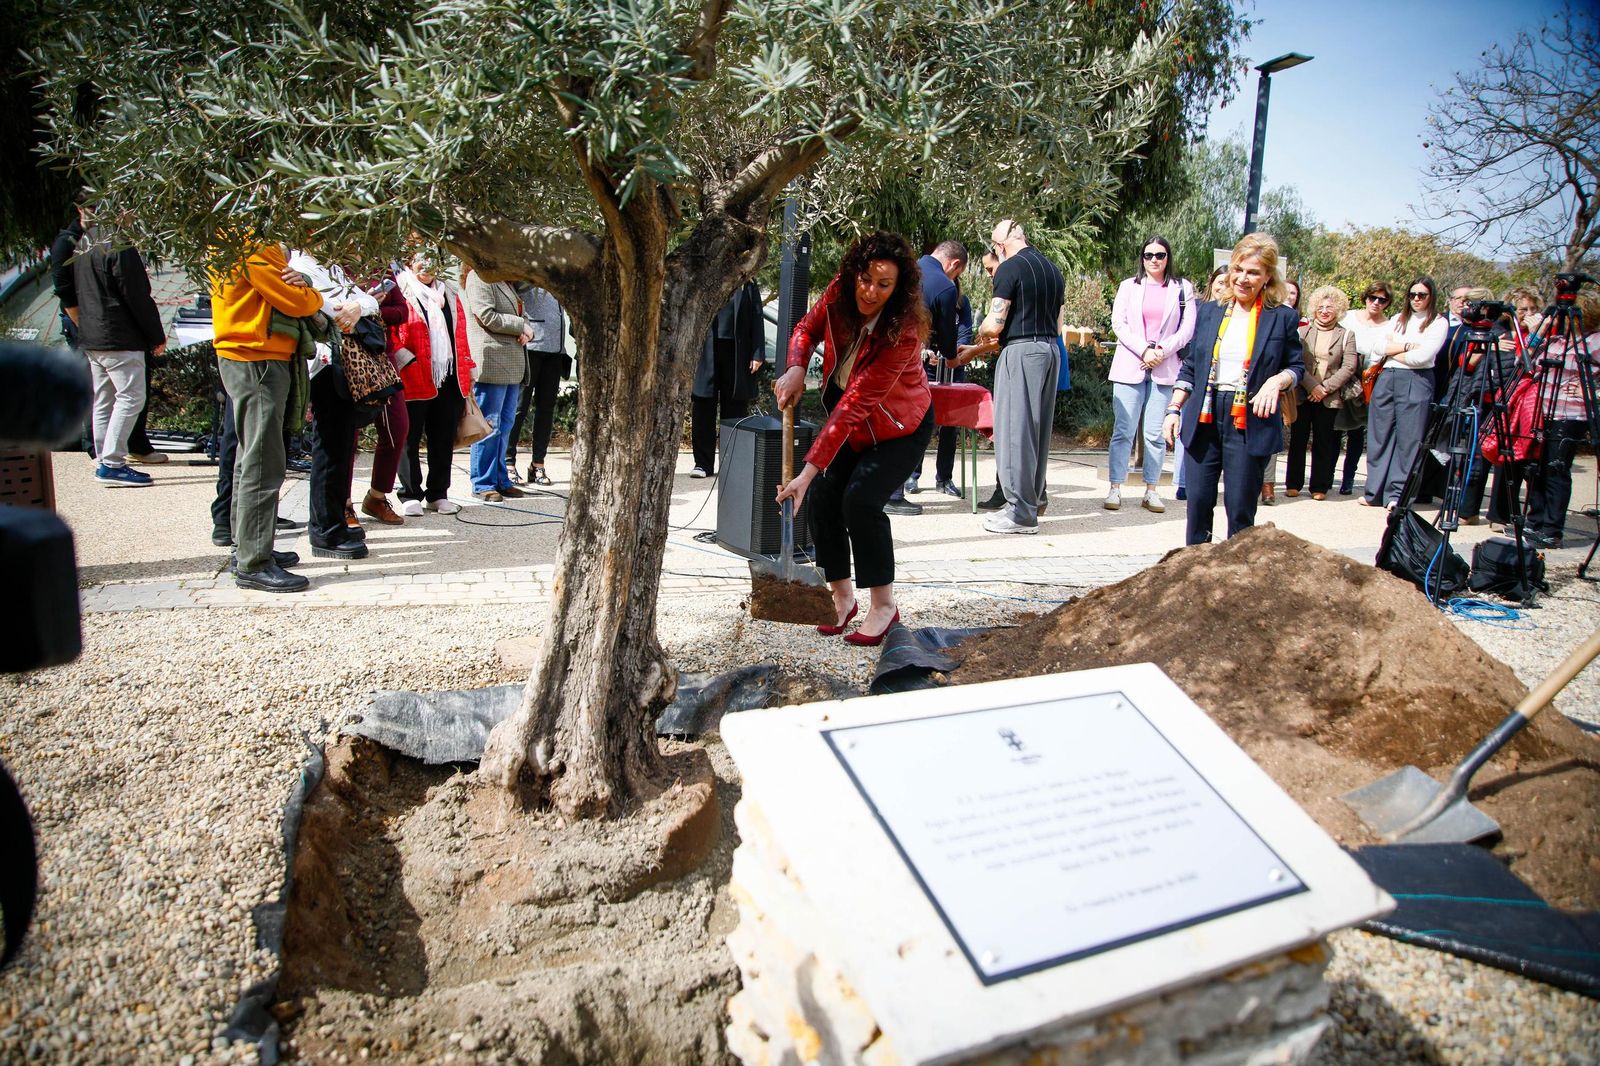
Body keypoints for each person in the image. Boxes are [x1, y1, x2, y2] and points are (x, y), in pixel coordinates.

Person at [772, 232, 934, 647]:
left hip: (900, 428)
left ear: (898, 290)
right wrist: (795, 366)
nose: (870, 291)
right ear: (854, 273)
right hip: (855, 424)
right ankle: (843, 599)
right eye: (866, 279)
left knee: (859, 502)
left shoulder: (905, 332)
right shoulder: (839, 292)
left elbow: (855, 403)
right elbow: (805, 330)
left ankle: (884, 604)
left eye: (884, 285)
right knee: (826, 499)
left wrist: (806, 472)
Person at [1161, 233, 1304, 545]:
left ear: (1268, 277)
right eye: (1238, 269)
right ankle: (1195, 574)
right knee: (1198, 503)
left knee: (1240, 509)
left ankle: (1236, 580)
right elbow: (1192, 366)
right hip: (1205, 414)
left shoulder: (1282, 317)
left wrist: (1275, 382)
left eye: (1253, 272)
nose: (1242, 278)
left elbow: (1296, 367)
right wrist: (1173, 408)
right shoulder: (1209, 311)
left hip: (1248, 419)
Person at [210, 242, 324, 592]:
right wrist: (313, 294)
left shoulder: (237, 238)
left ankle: (248, 545)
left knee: (250, 455)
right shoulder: (254, 243)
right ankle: (253, 562)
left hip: (250, 353)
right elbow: (295, 300)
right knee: (262, 458)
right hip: (257, 356)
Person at [62, 205, 169, 488]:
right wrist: (156, 334)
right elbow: (136, 294)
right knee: (131, 397)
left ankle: (103, 457)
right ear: (120, 210)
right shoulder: (119, 243)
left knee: (105, 397)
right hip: (118, 335)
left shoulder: (86, 241)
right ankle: (112, 462)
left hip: (92, 334)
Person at [287, 251, 378, 559]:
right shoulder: (298, 266)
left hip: (343, 363)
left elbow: (369, 301)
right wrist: (349, 309)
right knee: (328, 451)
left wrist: (356, 306)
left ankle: (334, 523)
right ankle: (325, 531)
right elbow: (322, 307)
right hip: (323, 366)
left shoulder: (331, 267)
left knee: (340, 450)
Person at [976, 219, 1065, 534]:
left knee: (1014, 431)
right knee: (1038, 434)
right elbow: (1058, 323)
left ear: (999, 246)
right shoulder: (1053, 270)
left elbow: (994, 323)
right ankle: (1034, 500)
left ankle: (1019, 513)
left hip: (1022, 350)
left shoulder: (1009, 268)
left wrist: (981, 332)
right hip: (1051, 350)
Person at [1106, 235, 1195, 513]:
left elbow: (1187, 329)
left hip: (1164, 368)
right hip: (1131, 364)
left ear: (1168, 257)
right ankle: (1115, 487)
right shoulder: (1128, 286)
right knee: (1123, 431)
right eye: (1148, 255)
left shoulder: (1183, 288)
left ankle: (1152, 489)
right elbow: (1118, 324)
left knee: (1155, 434)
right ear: (1141, 258)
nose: (1154, 260)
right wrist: (1145, 350)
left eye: (1159, 255)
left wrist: (1161, 351)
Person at [385, 253, 473, 516]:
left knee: (443, 435)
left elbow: (460, 331)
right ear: (409, 261)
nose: (426, 265)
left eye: (431, 258)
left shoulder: (450, 293)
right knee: (409, 436)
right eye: (420, 259)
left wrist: (468, 367)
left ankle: (438, 493)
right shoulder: (401, 289)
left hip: (447, 374)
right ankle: (410, 493)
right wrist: (402, 357)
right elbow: (389, 328)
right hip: (413, 372)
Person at [1520, 288, 1599, 547]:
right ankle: (1534, 522)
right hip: (1542, 411)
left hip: (1572, 415)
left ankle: (1552, 530)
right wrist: (1537, 333)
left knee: (1556, 469)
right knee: (1535, 469)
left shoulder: (1596, 341)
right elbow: (1524, 361)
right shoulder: (1555, 340)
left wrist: (1594, 390)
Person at [1362, 276, 1448, 509]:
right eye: (1412, 295)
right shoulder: (1397, 319)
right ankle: (1375, 492)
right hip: (1387, 377)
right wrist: (1408, 346)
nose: (1416, 299)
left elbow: (1422, 358)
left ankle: (1397, 495)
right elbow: (1377, 348)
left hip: (1417, 380)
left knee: (1409, 440)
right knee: (1379, 436)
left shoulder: (1438, 322)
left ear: (1431, 297)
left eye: (1421, 295)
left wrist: (1392, 350)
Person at [899, 239, 970, 505]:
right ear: (953, 264)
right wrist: (951, 355)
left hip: (893, 361)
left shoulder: (908, 270)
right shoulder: (944, 286)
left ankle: (904, 485)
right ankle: (901, 486)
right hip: (915, 364)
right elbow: (948, 336)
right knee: (918, 423)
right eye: (957, 273)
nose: (954, 278)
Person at [462, 269, 531, 502]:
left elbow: (519, 312)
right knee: (489, 425)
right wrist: (520, 325)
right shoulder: (478, 277)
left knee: (506, 424)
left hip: (511, 362)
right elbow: (486, 315)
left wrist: (525, 329)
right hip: (492, 361)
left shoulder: (505, 280)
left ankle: (501, 479)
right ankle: (483, 482)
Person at [1285, 287, 1358, 500]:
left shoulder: (1346, 335)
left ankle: (1319, 485)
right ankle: (1293, 483)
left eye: (1330, 307)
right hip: (1304, 392)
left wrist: (1325, 388)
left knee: (1324, 441)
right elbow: (1296, 360)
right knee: (1298, 439)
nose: (1324, 311)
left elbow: (1349, 366)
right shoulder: (1302, 332)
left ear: (1339, 310)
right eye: (1321, 307)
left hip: (1329, 395)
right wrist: (1312, 386)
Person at [688, 280, 765, 479]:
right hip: (706, 351)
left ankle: (731, 463)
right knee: (703, 405)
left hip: (737, 354)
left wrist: (757, 353)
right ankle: (702, 464)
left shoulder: (748, 283)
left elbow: (757, 317)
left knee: (735, 409)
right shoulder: (709, 277)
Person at [508, 284, 569, 486]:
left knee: (546, 410)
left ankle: (538, 464)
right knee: (519, 408)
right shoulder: (529, 272)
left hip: (555, 351)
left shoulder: (561, 273)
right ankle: (508, 462)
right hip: (531, 347)